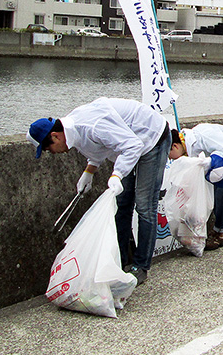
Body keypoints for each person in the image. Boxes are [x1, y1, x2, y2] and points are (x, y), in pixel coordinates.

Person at [27, 97, 171, 286]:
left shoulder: (91, 125)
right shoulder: (73, 131)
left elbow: (132, 145)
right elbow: (97, 148)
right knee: (122, 204)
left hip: (151, 137)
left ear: (55, 136)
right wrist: (89, 172)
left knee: (145, 206)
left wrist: (117, 174)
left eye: (48, 149)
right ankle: (119, 261)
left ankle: (141, 266)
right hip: (127, 144)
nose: (52, 153)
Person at [168, 124, 223, 250]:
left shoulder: (203, 135)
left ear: (175, 146)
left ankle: (218, 234)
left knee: (221, 195)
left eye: (168, 154)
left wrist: (212, 160)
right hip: (221, 167)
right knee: (214, 194)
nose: (170, 159)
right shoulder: (187, 146)